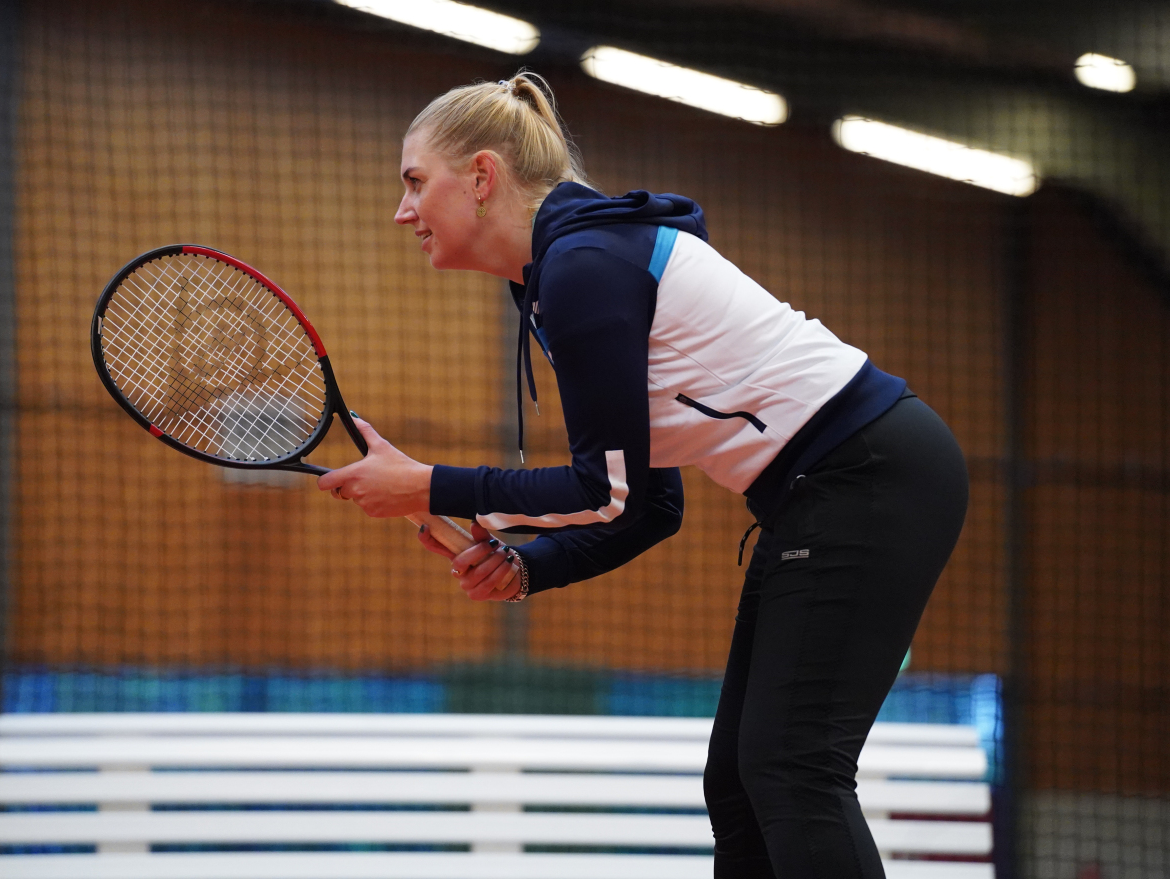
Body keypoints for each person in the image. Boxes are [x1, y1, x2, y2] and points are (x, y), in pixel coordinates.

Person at [317, 72, 969, 879]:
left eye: (415, 182)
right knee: (738, 782)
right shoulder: (561, 274)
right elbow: (649, 503)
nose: (401, 210)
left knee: (790, 768)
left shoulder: (583, 269)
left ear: (481, 177)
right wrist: (528, 565)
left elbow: (600, 491)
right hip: (827, 490)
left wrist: (428, 485)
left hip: (867, 475)